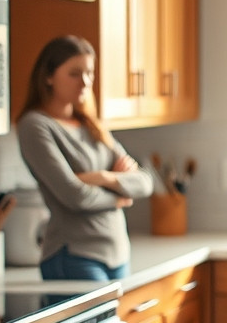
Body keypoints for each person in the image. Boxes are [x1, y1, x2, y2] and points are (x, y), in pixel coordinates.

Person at [17, 35, 154, 281]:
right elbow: (75, 197)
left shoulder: (91, 123)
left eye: (90, 73)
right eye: (74, 73)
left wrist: (102, 178)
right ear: (48, 76)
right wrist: (120, 196)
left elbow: (145, 182)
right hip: (74, 256)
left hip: (118, 254)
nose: (85, 82)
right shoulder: (36, 125)